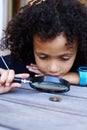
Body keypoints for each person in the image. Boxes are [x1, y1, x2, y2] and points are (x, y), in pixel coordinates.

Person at [0, 0, 87, 94]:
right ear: (31, 45)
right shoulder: (19, 62)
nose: (53, 69)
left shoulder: (82, 59)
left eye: (64, 58)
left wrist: (78, 77)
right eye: (43, 57)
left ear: (80, 47)